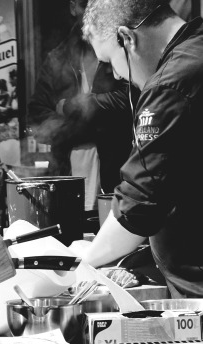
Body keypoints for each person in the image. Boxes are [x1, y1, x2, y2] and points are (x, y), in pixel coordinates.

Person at [69, 0, 203, 298]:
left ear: (127, 38)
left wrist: (85, 265)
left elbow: (140, 204)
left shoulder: (170, 85)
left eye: (110, 61)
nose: (117, 76)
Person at [28, 0, 136, 213]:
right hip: (67, 171)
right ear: (72, 7)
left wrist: (75, 106)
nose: (90, 10)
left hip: (119, 170)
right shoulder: (57, 57)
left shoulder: (119, 49)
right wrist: (85, 126)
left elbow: (133, 99)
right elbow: (36, 116)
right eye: (83, 4)